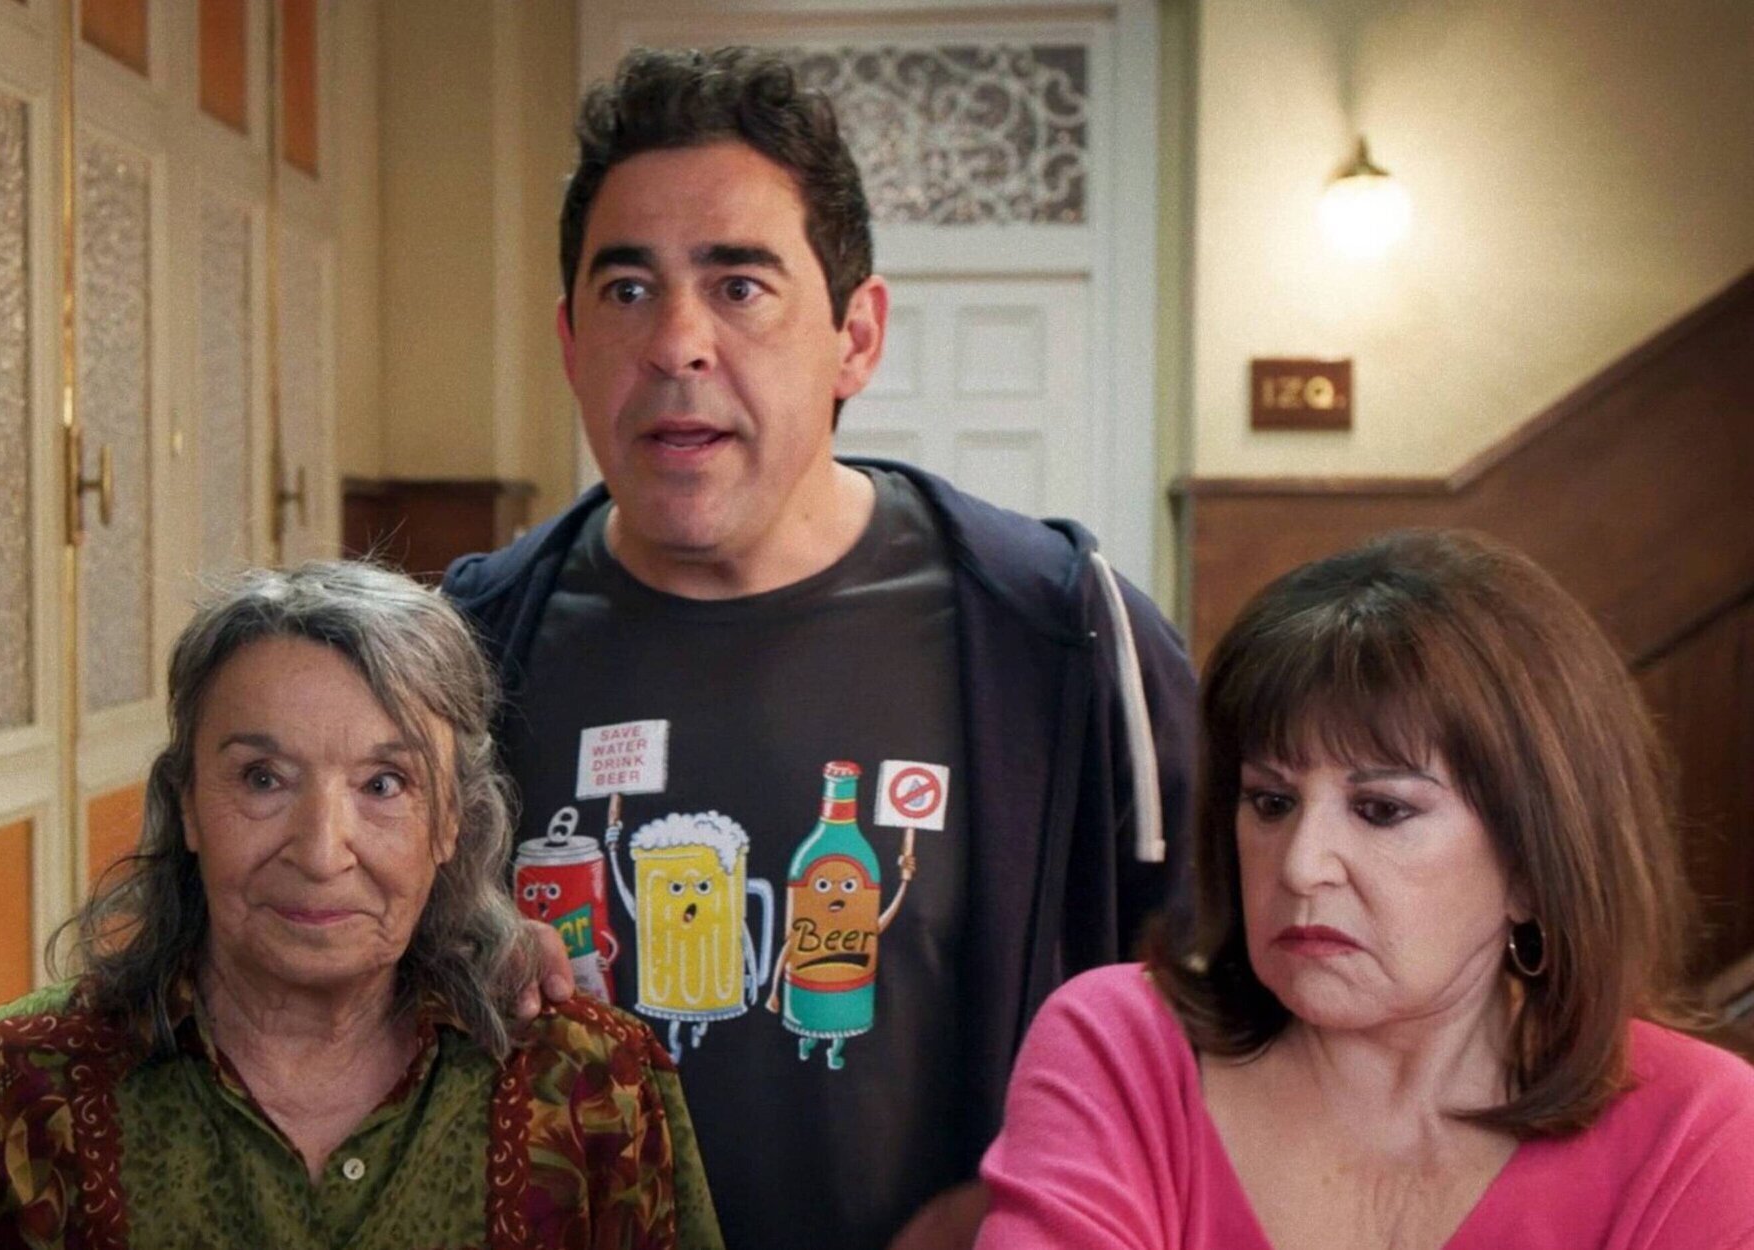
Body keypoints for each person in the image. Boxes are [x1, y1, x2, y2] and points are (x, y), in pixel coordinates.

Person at [442, 45, 1196, 1250]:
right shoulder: (464, 651)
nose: (676, 342)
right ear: (570, 339)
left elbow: (1217, 1006)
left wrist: (1043, 1197)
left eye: (738, 285)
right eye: (626, 289)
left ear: (856, 334)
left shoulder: (1056, 632)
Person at [0, 563, 721, 1249]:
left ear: (450, 822)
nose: (320, 852)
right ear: (188, 805)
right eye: (263, 779)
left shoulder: (589, 1093)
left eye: (384, 784)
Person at [976, 530, 1754, 1249]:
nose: (1300, 865)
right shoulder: (1121, 1046)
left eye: (1382, 811)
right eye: (1270, 802)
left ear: (1532, 862)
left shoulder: (1699, 1126)